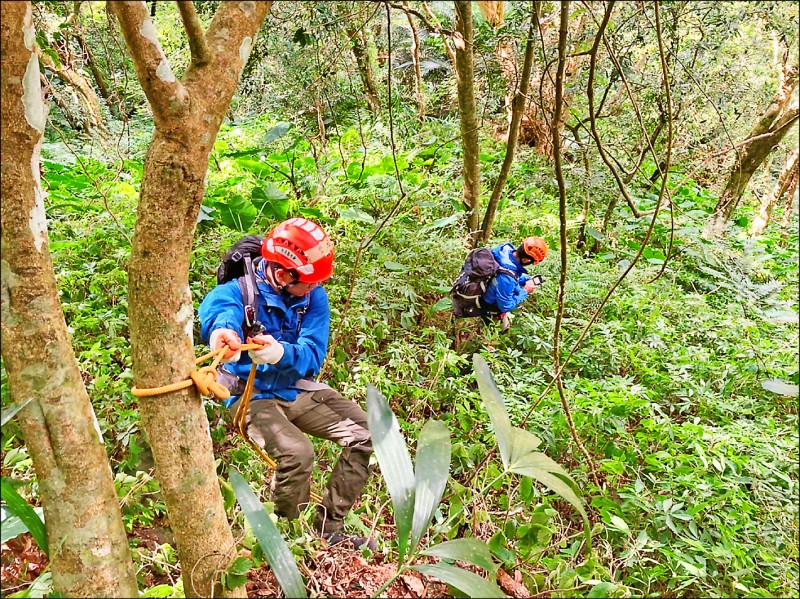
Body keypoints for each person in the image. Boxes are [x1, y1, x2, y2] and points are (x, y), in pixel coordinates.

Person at [199, 218, 375, 550]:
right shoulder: (238, 293)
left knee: (367, 433)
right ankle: (290, 536)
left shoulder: (312, 298)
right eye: (307, 283)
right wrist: (224, 333)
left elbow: (312, 354)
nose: (313, 288)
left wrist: (280, 353)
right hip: (250, 395)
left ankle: (329, 528)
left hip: (293, 387)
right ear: (283, 274)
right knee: (298, 452)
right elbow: (220, 312)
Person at [481, 236, 548, 330]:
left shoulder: (505, 251)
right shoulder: (507, 279)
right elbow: (505, 306)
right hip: (488, 306)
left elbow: (511, 273)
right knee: (502, 331)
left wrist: (526, 280)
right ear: (526, 260)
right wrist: (525, 291)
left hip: (492, 288)